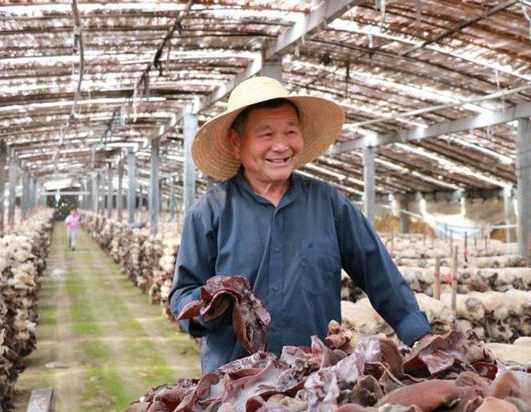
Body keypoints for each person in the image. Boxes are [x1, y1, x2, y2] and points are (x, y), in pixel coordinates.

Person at [169, 76, 431, 373]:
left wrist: (422, 337)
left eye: (290, 132)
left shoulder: (330, 204)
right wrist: (212, 301)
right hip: (235, 384)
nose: (281, 145)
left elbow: (379, 274)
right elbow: (182, 297)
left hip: (316, 380)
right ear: (235, 141)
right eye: (265, 134)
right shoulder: (208, 213)